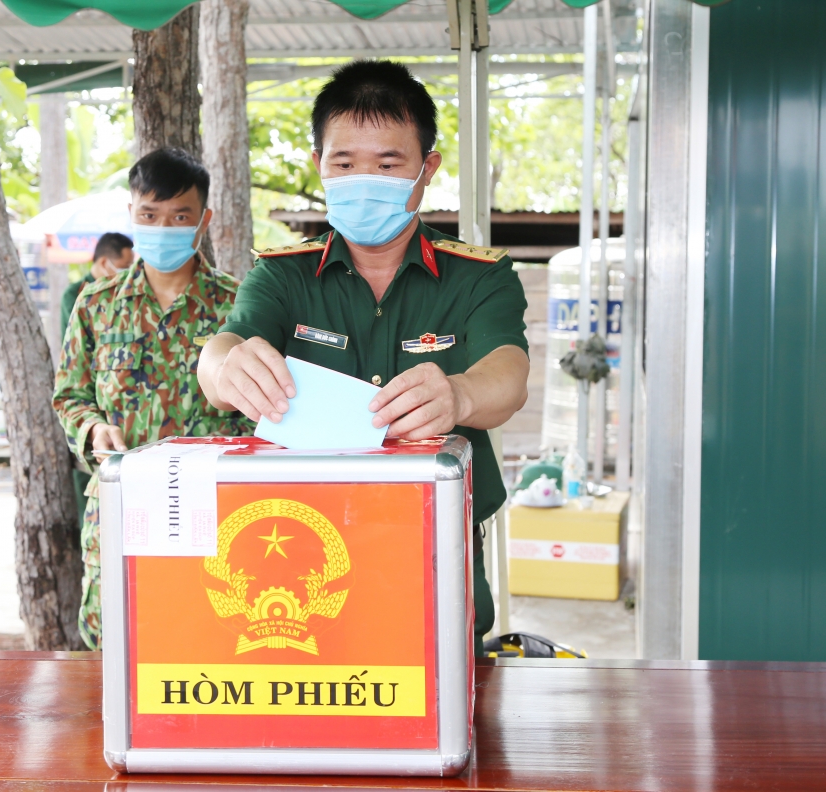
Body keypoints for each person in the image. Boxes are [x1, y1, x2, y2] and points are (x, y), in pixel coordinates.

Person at [196, 60, 529, 656]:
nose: (362, 179)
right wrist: (224, 368)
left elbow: (508, 374)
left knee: (446, 709)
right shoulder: (281, 275)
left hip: (435, 542)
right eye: (344, 163)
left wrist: (460, 395)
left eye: (388, 163)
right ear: (319, 166)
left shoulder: (481, 277)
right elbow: (225, 350)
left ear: (427, 169)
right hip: (294, 551)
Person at [54, 147, 253, 650]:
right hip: (122, 508)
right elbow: (70, 395)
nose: (163, 227)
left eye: (179, 216)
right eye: (149, 215)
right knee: (119, 644)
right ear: (132, 217)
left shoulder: (240, 306)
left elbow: (265, 408)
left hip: (217, 512)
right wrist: (94, 430)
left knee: (213, 642)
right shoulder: (96, 304)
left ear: (202, 220)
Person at [60, 231, 135, 530]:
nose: (130, 271)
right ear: (105, 263)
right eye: (124, 264)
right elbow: (74, 356)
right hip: (89, 394)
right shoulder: (80, 296)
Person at [60, 232, 134, 343]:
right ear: (104, 263)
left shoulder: (125, 291)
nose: (128, 272)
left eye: (130, 267)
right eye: (124, 267)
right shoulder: (76, 293)